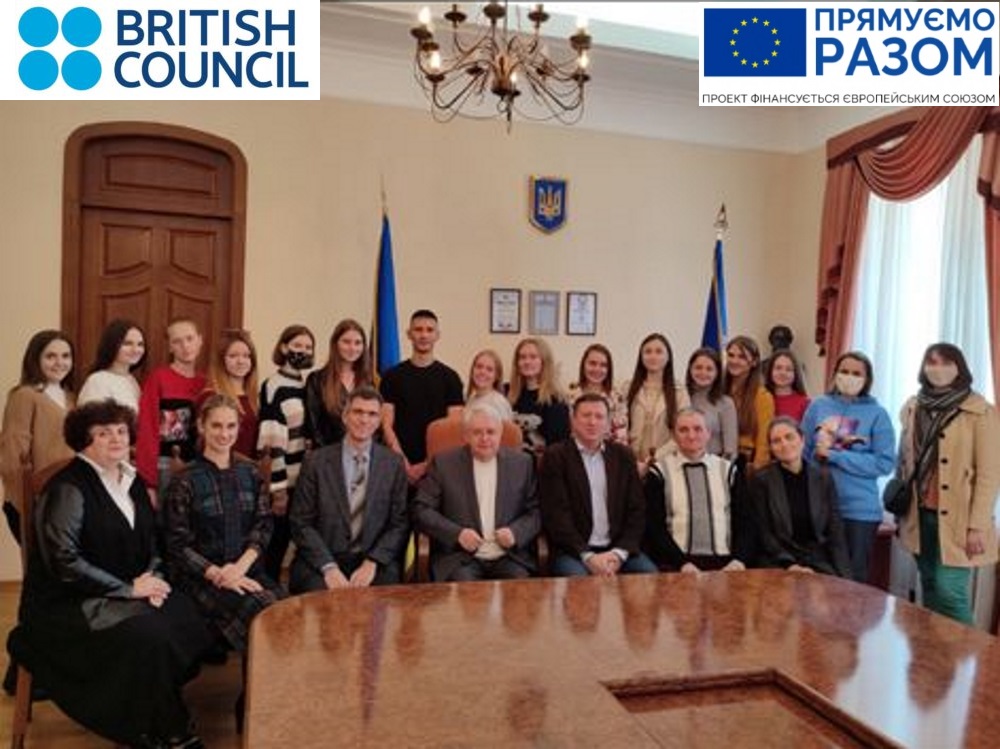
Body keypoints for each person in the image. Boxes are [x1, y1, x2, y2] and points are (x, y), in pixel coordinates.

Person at [7, 400, 212, 748]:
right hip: (70, 602)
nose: (116, 438)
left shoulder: (133, 481)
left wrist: (153, 580)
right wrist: (128, 590)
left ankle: (156, 709)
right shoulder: (67, 488)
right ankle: (158, 727)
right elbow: (64, 563)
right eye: (103, 433)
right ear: (83, 440)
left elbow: (152, 541)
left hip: (130, 588)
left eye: (121, 431)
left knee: (186, 615)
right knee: (150, 636)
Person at [164, 394, 282, 653]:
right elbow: (176, 545)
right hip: (203, 579)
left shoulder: (251, 472)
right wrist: (219, 575)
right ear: (201, 426)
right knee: (262, 613)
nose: (224, 433)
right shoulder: (184, 480)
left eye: (231, 426)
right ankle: (258, 681)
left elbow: (263, 526)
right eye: (216, 425)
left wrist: (240, 568)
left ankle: (261, 680)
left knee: (287, 610)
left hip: (247, 570)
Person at [895, 343, 1000, 624]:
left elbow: (989, 475)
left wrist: (977, 526)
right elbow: (903, 461)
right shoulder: (914, 406)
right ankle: (937, 647)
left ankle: (974, 652)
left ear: (959, 368)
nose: (938, 369)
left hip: (960, 519)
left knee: (950, 592)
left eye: (946, 363)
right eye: (932, 362)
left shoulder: (980, 411)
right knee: (929, 583)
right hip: (919, 512)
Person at [289, 386, 409, 591]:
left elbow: (399, 523)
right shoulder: (315, 462)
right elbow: (300, 522)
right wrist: (328, 567)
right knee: (323, 601)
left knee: (383, 599)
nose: (364, 420)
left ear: (379, 421)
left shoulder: (393, 464)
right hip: (322, 559)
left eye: (372, 414)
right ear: (345, 417)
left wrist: (372, 562)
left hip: (372, 559)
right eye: (358, 412)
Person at [414, 400, 540, 581]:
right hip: (460, 558)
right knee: (466, 592)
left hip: (509, 557)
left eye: (491, 432)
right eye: (477, 432)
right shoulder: (443, 464)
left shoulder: (522, 464)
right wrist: (457, 534)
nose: (485, 438)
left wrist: (515, 532)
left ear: (500, 434)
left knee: (518, 591)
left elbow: (536, 511)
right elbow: (421, 509)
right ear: (466, 435)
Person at [802, 350, 895, 584]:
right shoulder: (818, 406)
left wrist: (835, 456)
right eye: (844, 371)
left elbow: (884, 463)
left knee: (852, 581)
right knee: (818, 580)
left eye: (856, 373)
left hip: (859, 511)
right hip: (819, 505)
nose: (849, 377)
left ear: (867, 379)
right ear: (835, 374)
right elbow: (803, 451)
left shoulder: (878, 414)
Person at [539, 393, 657, 577]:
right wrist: (588, 557)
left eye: (599, 416)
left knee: (650, 578)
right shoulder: (555, 456)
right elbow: (556, 516)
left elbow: (637, 510)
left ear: (608, 423)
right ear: (573, 420)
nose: (592, 422)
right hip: (573, 551)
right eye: (586, 415)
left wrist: (619, 554)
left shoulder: (623, 456)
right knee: (581, 585)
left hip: (618, 549)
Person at [644, 408, 754, 572]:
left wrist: (738, 560)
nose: (691, 436)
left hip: (725, 565)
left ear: (708, 433)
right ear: (673, 436)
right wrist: (682, 563)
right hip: (675, 566)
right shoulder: (659, 472)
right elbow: (654, 527)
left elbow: (745, 521)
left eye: (698, 429)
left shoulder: (728, 470)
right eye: (683, 430)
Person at [1, 330, 76, 542]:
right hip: (32, 501)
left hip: (63, 500)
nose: (59, 363)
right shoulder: (25, 395)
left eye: (65, 356)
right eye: (50, 356)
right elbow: (12, 455)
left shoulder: (71, 397)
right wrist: (27, 500)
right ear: (35, 359)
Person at [750, 417, 850, 577]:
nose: (784, 444)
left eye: (789, 437)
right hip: (778, 561)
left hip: (816, 560)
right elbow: (764, 533)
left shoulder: (823, 477)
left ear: (802, 440)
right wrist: (791, 565)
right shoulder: (761, 480)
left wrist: (845, 578)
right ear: (771, 448)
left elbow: (835, 530)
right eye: (776, 441)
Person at [379, 310, 464, 485]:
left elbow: (453, 428)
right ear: (409, 334)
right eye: (418, 330)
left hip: (438, 468)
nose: (424, 335)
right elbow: (386, 425)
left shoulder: (451, 378)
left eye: (429, 330)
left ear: (437, 335)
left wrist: (427, 464)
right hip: (398, 466)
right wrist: (403, 463)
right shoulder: (391, 377)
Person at [257, 324, 315, 582]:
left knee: (298, 541)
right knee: (276, 543)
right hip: (284, 481)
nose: (303, 351)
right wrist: (278, 490)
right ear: (283, 347)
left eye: (308, 347)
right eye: (297, 345)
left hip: (305, 478)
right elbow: (272, 440)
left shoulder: (306, 384)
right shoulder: (274, 386)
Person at [135, 318, 206, 504]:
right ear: (170, 347)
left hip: (199, 466)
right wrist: (148, 482)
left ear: (200, 340)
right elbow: (147, 429)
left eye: (190, 338)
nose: (185, 346)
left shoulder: (206, 382)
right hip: (165, 466)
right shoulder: (159, 378)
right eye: (177, 341)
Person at [305, 319, 373, 448]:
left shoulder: (369, 381)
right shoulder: (317, 379)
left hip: (363, 455)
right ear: (335, 344)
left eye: (358, 343)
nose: (352, 348)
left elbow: (374, 426)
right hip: (327, 455)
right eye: (346, 342)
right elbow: (314, 428)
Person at [625, 333, 688, 466]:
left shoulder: (680, 392)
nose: (653, 356)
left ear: (668, 357)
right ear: (641, 357)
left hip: (665, 463)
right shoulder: (627, 388)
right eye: (648, 352)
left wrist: (653, 460)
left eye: (659, 352)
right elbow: (619, 427)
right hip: (630, 462)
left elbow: (683, 432)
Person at [199, 329, 260, 459]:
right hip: (219, 467)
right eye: (233, 356)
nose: (241, 361)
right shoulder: (210, 397)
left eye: (246, 356)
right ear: (221, 360)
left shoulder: (255, 398)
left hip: (250, 468)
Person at [508, 337, 571, 453]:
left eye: (533, 357)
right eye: (522, 357)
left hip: (543, 462)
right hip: (511, 461)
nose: (527, 362)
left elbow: (559, 448)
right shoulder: (507, 393)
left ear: (544, 361)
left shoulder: (556, 400)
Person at [724, 335, 775, 472]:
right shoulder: (719, 390)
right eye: (731, 355)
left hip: (746, 462)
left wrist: (757, 470)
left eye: (742, 357)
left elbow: (764, 440)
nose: (734, 361)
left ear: (754, 362)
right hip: (718, 459)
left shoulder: (762, 397)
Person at [77, 319, 147, 411]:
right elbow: (91, 418)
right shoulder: (98, 381)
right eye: (127, 343)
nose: (135, 350)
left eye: (140, 344)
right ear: (112, 345)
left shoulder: (132, 380)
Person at [567, 343, 628, 445]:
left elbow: (621, 435)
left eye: (603, 365)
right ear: (583, 365)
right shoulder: (569, 394)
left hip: (609, 451)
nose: (597, 369)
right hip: (574, 450)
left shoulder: (617, 397)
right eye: (592, 363)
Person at [684, 347, 738, 459]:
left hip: (714, 463)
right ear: (690, 369)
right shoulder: (681, 397)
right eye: (698, 367)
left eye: (709, 369)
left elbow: (730, 450)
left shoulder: (726, 403)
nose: (703, 373)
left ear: (717, 373)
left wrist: (721, 468)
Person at [465, 349, 514, 421]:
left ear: (497, 376)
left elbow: (507, 427)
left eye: (489, 369)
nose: (482, 372)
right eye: (479, 367)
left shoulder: (499, 403)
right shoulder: (471, 398)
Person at [765, 349, 810, 423]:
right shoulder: (761, 399)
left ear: (795, 374)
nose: (783, 373)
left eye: (788, 369)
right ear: (770, 371)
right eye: (778, 368)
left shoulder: (805, 403)